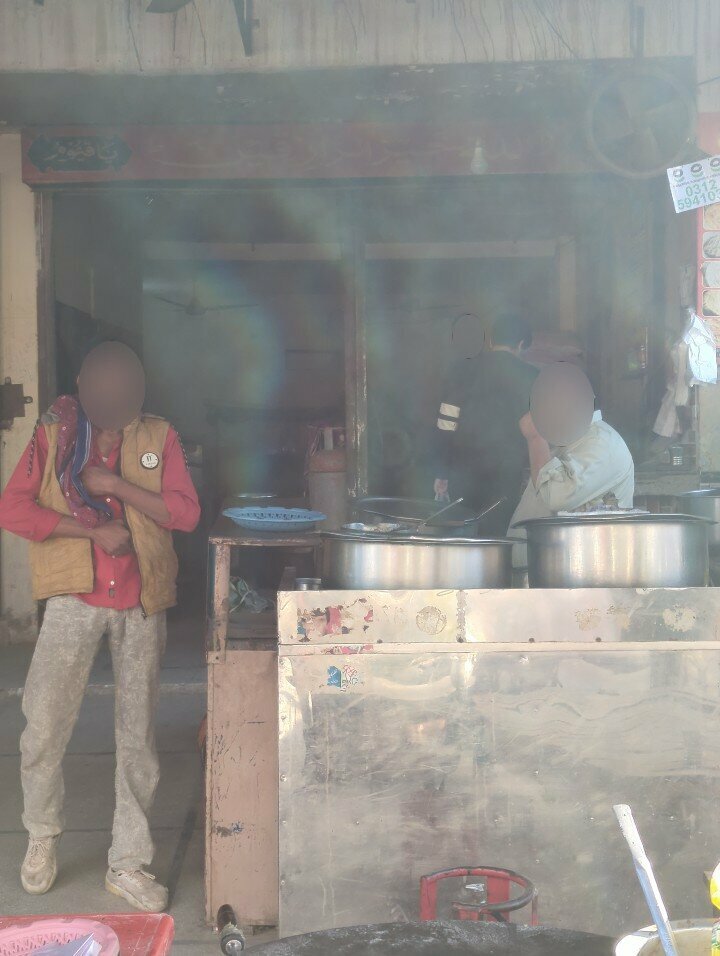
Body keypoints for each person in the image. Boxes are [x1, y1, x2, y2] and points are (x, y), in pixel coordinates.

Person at [0, 342, 201, 912]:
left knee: (137, 737)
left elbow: (185, 513)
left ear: (138, 393)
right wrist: (89, 530)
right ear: (84, 390)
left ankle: (127, 862)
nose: (113, 407)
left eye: (123, 395)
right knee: (43, 725)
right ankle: (42, 836)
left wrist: (115, 487)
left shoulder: (159, 436)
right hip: (74, 598)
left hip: (142, 599)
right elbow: (13, 509)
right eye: (103, 395)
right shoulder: (52, 434)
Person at [508, 362, 634, 566]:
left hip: (577, 572)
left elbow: (556, 496)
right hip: (542, 567)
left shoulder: (602, 443)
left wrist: (535, 438)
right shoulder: (567, 439)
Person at [433, 313, 538, 535]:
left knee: (463, 535)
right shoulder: (532, 376)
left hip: (463, 470)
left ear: (490, 341)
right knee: (496, 535)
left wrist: (442, 471)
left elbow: (446, 424)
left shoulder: (460, 371)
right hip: (507, 473)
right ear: (521, 344)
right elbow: (538, 432)